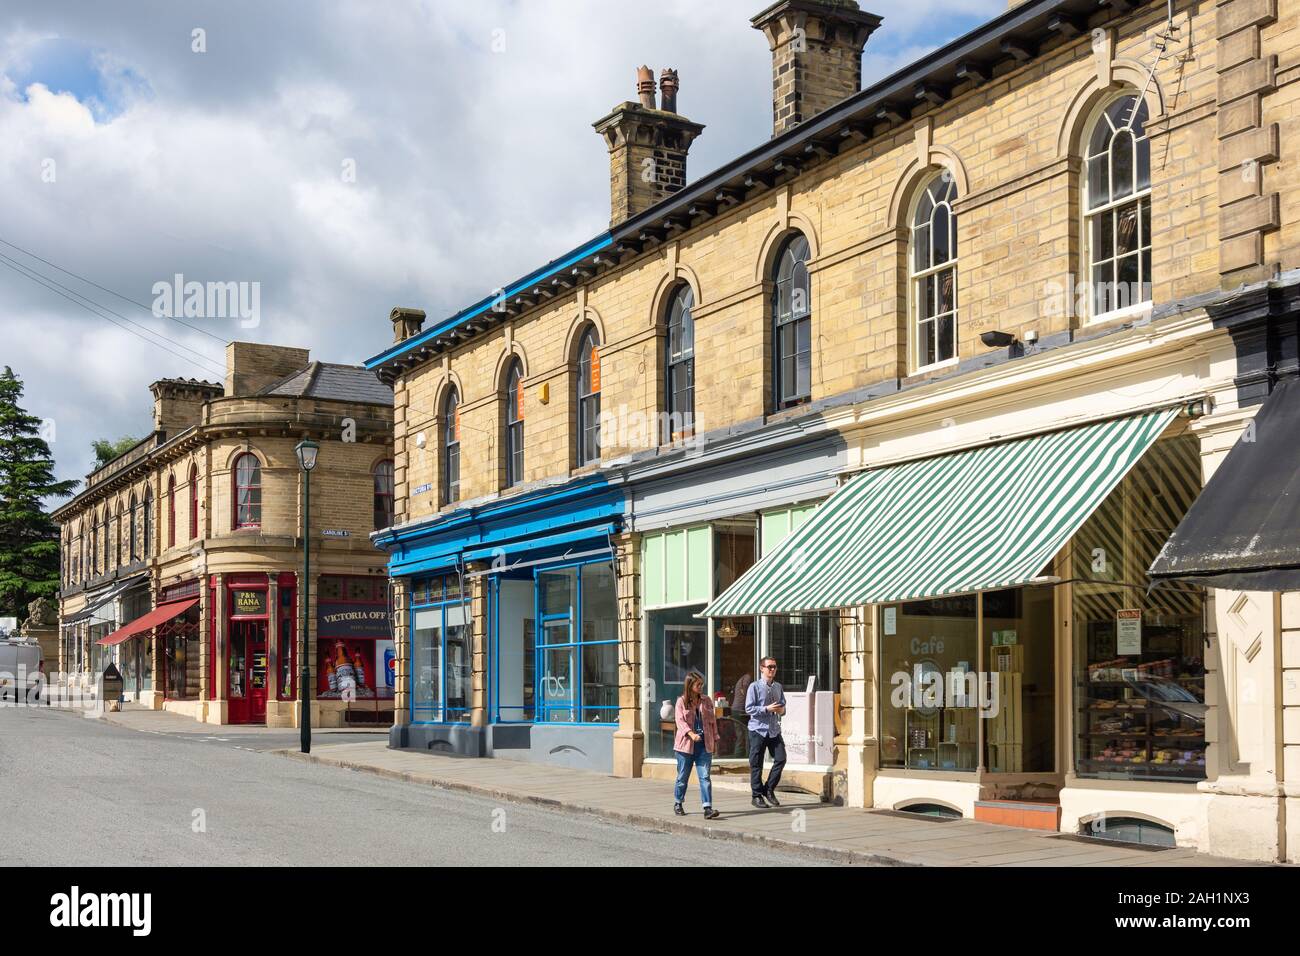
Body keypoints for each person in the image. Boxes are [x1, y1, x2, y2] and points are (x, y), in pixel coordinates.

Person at [673, 671, 720, 819]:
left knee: (705, 777)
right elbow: (680, 722)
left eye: (702, 684)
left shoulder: (706, 700)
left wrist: (715, 739)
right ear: (690, 685)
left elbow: (713, 722)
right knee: (682, 778)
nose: (701, 687)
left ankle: (707, 808)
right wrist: (691, 734)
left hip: (704, 745)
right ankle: (678, 803)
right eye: (698, 684)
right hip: (685, 746)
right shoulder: (681, 701)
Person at [745, 656, 786, 808]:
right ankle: (756, 795)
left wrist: (781, 710)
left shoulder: (778, 687)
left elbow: (783, 708)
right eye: (769, 667)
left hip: (774, 730)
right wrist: (766, 709)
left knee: (781, 758)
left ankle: (769, 789)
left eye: (774, 667)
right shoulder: (754, 687)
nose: (772, 669)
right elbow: (749, 709)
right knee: (756, 763)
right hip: (758, 729)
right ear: (762, 668)